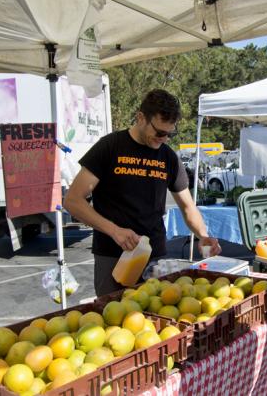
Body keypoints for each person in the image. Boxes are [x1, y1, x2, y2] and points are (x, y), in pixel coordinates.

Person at [64, 89, 221, 296]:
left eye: (169, 134)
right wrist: (114, 231)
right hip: (113, 256)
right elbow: (73, 201)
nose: (164, 139)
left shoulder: (168, 158)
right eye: (159, 132)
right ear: (140, 117)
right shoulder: (110, 147)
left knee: (156, 320)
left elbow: (187, 206)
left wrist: (203, 235)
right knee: (113, 320)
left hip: (154, 256)